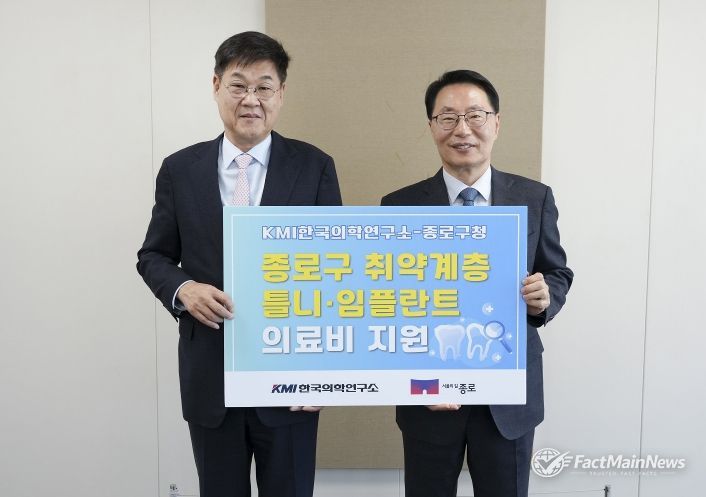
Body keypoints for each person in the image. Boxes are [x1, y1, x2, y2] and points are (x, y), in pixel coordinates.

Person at [137, 31, 342, 497]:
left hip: (291, 377)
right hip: (211, 375)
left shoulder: (314, 166)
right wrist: (183, 290)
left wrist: (323, 373)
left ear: (281, 93)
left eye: (264, 87)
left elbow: (334, 270)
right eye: (238, 85)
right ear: (216, 86)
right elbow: (154, 255)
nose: (251, 99)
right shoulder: (179, 169)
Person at [381, 70, 573, 497]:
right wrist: (416, 380)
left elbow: (558, 271)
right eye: (447, 117)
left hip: (508, 399)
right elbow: (387, 301)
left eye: (475, 115)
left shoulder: (534, 197)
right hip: (429, 396)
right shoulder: (399, 205)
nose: (462, 129)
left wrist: (544, 297)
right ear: (431, 126)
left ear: (496, 123)